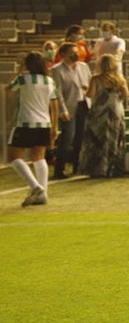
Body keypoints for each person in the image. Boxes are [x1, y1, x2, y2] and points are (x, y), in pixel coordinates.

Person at [6, 52, 58, 206]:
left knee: (13, 157)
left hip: (25, 122)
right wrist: (55, 126)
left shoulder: (23, 79)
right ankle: (43, 194)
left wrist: (20, 70)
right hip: (44, 123)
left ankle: (35, 187)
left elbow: (8, 90)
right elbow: (54, 104)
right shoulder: (50, 81)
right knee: (39, 157)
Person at [77, 53, 128, 178]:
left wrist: (85, 88)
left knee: (98, 140)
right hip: (116, 111)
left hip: (100, 112)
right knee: (114, 139)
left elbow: (90, 94)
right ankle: (114, 168)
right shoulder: (119, 79)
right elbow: (126, 94)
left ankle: (98, 169)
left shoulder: (96, 79)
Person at [48, 43, 91, 180]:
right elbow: (57, 92)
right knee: (67, 138)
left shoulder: (83, 67)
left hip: (84, 104)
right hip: (68, 107)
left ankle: (78, 167)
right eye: (73, 52)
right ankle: (59, 169)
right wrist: (62, 110)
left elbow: (90, 84)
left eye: (77, 51)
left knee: (80, 138)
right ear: (63, 54)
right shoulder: (57, 70)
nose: (76, 54)